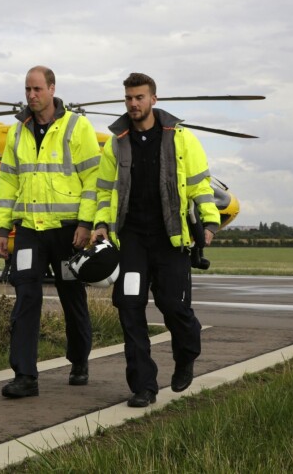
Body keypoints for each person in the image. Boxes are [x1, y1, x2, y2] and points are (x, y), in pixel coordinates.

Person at [91, 72, 220, 408]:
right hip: (132, 241)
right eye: (129, 99)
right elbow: (104, 191)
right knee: (129, 308)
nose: (134, 104)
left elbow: (199, 184)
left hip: (171, 239)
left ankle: (187, 353)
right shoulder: (116, 143)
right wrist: (101, 223)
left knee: (174, 307)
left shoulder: (181, 139)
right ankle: (144, 385)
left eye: (139, 98)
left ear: (153, 100)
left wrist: (209, 221)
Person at [0, 65, 101, 398]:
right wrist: (2, 227)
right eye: (27, 89)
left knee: (72, 297)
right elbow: (8, 180)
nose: (31, 95)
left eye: (37, 89)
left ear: (52, 89)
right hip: (29, 230)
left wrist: (85, 224)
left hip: (68, 232)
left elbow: (93, 179)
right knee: (26, 296)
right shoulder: (17, 132)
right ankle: (25, 375)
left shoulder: (77, 127)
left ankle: (79, 359)